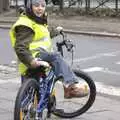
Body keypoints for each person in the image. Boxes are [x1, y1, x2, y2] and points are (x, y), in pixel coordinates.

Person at [10, 0, 88, 99]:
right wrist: (31, 61)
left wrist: (56, 31)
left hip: (33, 57)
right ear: (30, 6)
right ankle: (71, 86)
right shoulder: (26, 24)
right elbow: (20, 47)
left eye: (43, 6)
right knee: (56, 57)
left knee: (30, 92)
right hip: (32, 57)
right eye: (36, 5)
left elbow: (42, 35)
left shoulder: (36, 20)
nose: (40, 8)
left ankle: (27, 110)